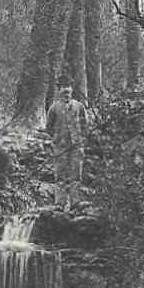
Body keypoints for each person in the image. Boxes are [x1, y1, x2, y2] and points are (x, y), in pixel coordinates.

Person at [45, 79, 88, 211]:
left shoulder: (79, 106)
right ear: (59, 91)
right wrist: (56, 138)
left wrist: (81, 138)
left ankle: (75, 202)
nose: (66, 92)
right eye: (63, 89)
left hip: (76, 145)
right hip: (60, 146)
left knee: (76, 174)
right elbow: (49, 126)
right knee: (60, 175)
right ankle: (60, 202)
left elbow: (84, 124)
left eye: (68, 89)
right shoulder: (54, 107)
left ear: (72, 90)